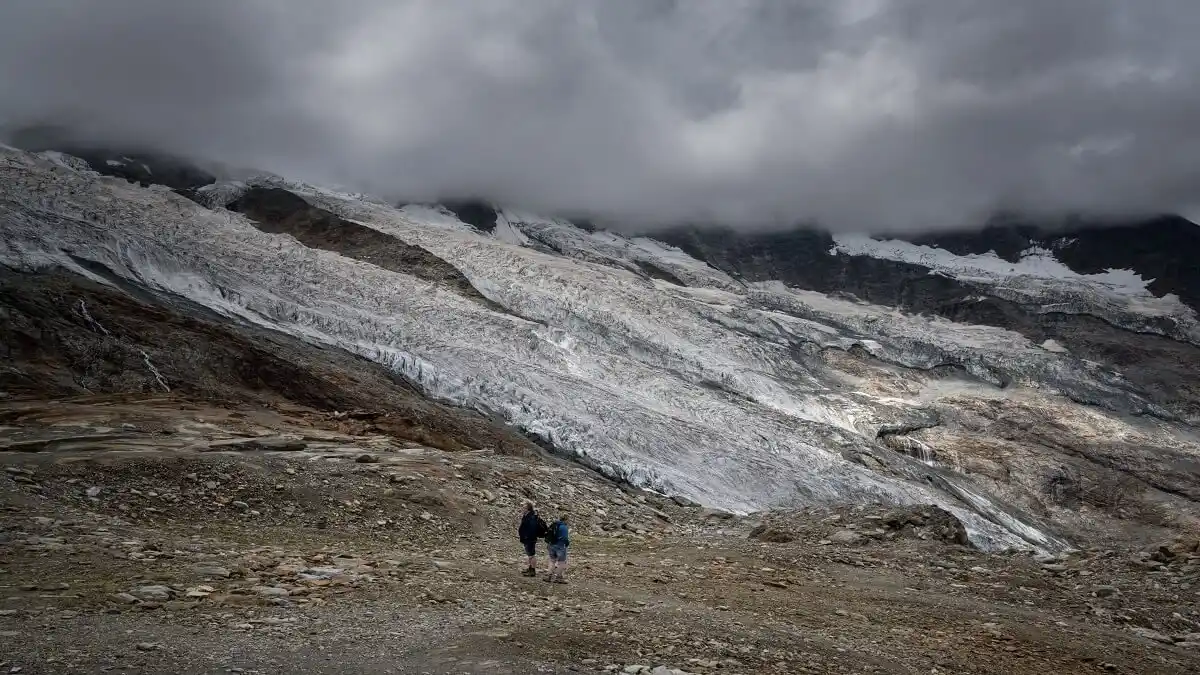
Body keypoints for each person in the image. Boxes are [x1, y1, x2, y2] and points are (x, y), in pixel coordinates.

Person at [517, 502, 545, 577]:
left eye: (524, 507)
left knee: (531, 555)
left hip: (530, 539)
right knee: (529, 555)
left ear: (528, 509)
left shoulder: (531, 517)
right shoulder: (527, 516)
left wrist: (527, 537)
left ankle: (532, 570)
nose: (522, 509)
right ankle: (530, 568)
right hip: (527, 539)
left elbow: (532, 529)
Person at [544, 513, 569, 584]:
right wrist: (567, 544)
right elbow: (565, 538)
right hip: (560, 546)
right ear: (566, 520)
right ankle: (559, 578)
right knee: (562, 562)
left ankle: (548, 576)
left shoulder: (554, 524)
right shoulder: (564, 527)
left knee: (552, 560)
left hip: (551, 545)